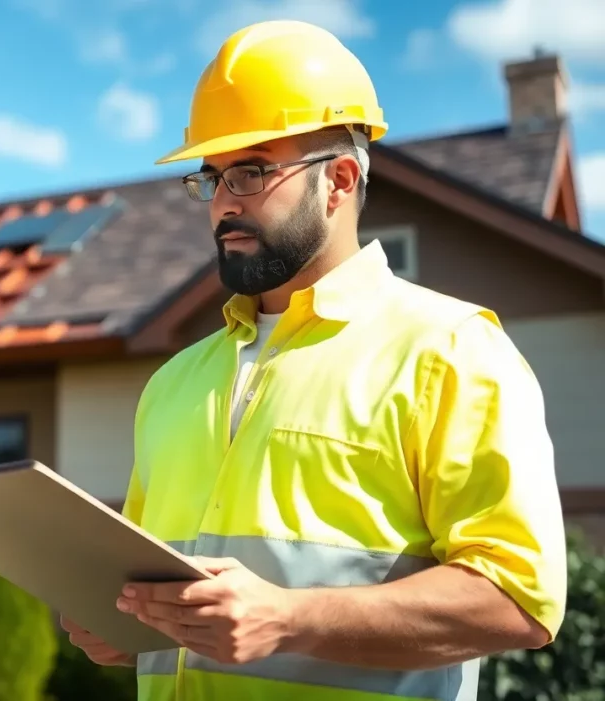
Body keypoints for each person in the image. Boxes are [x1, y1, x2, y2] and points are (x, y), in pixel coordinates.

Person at [60, 19, 567, 701]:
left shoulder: (449, 350)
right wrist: (126, 626)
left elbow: (519, 600)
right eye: (211, 177)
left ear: (340, 179)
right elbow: (177, 604)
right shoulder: (172, 382)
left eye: (251, 171)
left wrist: (290, 619)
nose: (223, 203)